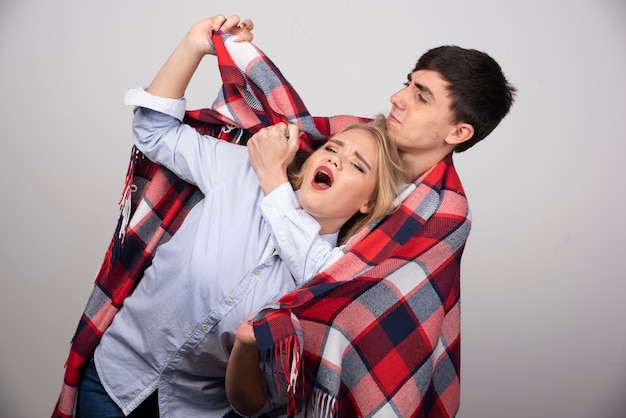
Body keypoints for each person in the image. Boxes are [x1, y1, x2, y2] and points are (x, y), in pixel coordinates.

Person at [70, 15, 406, 418]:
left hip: (191, 410)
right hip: (112, 381)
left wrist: (273, 181)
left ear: (369, 203)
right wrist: (194, 44)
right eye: (332, 147)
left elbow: (320, 284)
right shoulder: (240, 170)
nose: (334, 159)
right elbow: (154, 132)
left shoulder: (337, 273)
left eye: (357, 165)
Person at [224, 20, 517, 418]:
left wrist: (275, 181)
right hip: (242, 360)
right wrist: (236, 50)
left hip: (335, 378)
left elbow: (336, 286)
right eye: (407, 83)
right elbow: (286, 122)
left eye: (422, 96)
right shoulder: (359, 138)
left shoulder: (443, 216)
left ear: (458, 131)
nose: (397, 97)